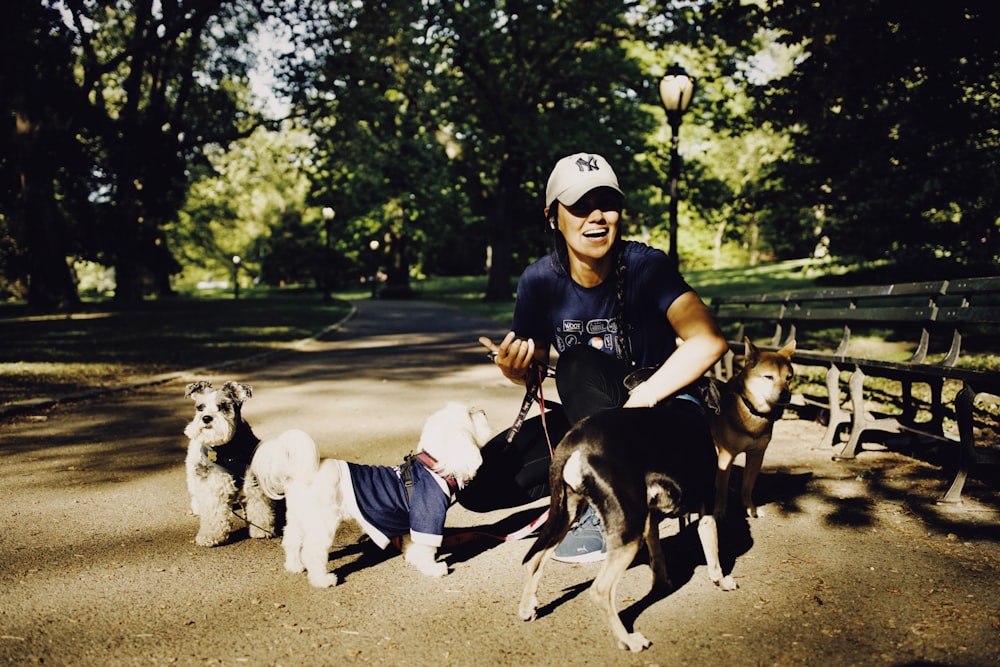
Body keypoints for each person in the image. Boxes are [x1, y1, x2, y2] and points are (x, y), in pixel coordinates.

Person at [457, 152, 728, 563]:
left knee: (577, 364)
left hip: (663, 425)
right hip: (601, 423)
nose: (596, 217)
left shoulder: (647, 267)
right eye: (580, 206)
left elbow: (708, 341)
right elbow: (534, 364)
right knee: (478, 485)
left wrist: (647, 395)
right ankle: (586, 489)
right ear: (553, 216)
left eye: (607, 204)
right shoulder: (539, 281)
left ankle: (608, 512)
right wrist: (515, 369)